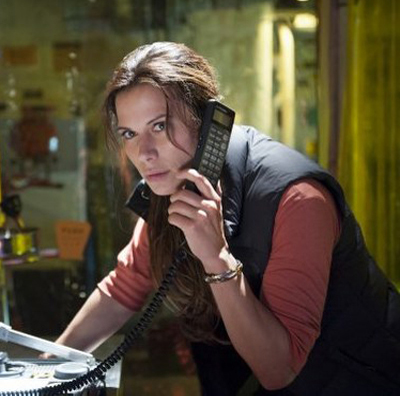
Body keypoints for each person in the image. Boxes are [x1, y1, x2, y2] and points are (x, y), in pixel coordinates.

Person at [50, 42, 400, 395]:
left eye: (160, 126)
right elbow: (124, 287)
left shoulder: (298, 199)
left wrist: (217, 259)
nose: (144, 153)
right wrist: (48, 368)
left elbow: (279, 369)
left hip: (363, 380)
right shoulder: (173, 186)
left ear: (206, 122)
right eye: (129, 133)